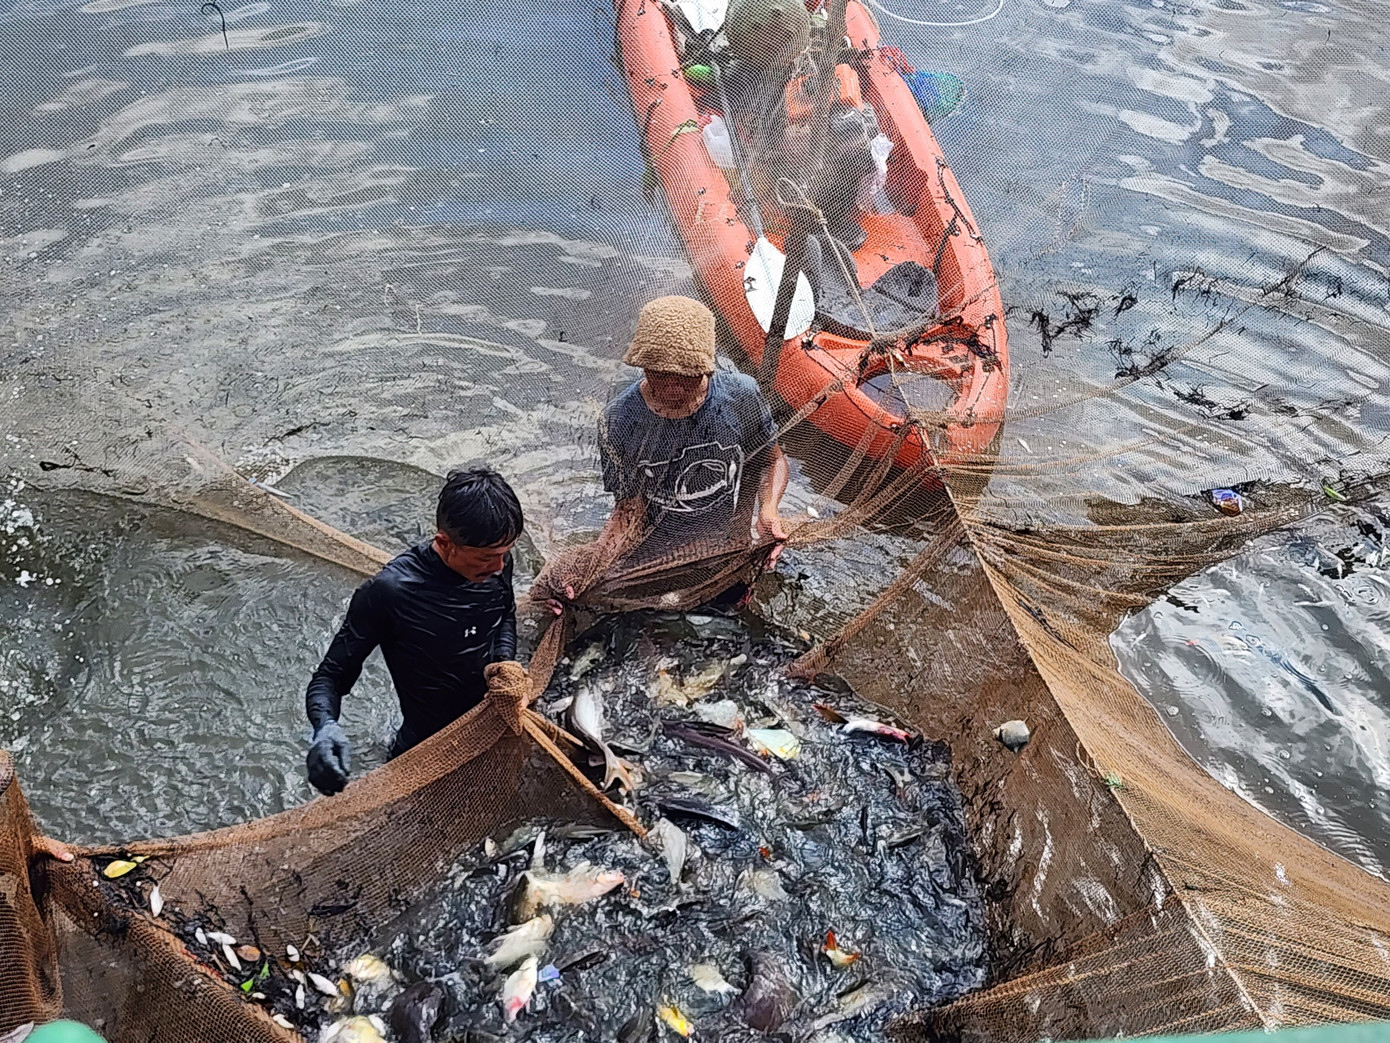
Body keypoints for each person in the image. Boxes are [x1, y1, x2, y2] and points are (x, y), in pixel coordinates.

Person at [304, 468, 525, 795]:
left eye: (505, 554)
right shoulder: (390, 592)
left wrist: (504, 663)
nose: (499, 568)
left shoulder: (498, 560)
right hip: (423, 747)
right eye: (487, 558)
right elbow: (329, 677)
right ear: (445, 543)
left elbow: (505, 613)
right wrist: (325, 728)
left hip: (492, 723)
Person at [585, 295, 790, 585]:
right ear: (643, 365)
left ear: (706, 368)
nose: (673, 386)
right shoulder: (619, 419)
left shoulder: (740, 395)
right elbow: (628, 509)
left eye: (686, 376)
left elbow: (772, 460)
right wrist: (596, 564)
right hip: (652, 552)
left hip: (722, 543)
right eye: (660, 373)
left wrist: (767, 510)